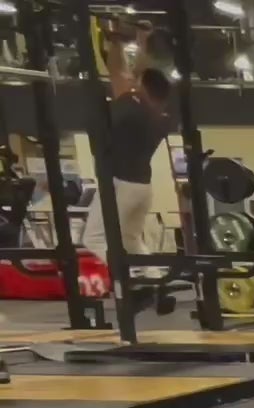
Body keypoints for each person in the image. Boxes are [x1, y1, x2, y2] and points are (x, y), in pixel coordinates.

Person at [81, 24, 171, 260]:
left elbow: (118, 74)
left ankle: (122, 275)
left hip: (120, 184)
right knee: (131, 240)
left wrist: (117, 42)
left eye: (136, 82)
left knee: (94, 239)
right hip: (142, 188)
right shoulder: (159, 116)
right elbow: (132, 74)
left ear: (142, 88)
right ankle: (152, 276)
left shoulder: (131, 106)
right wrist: (139, 42)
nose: (133, 81)